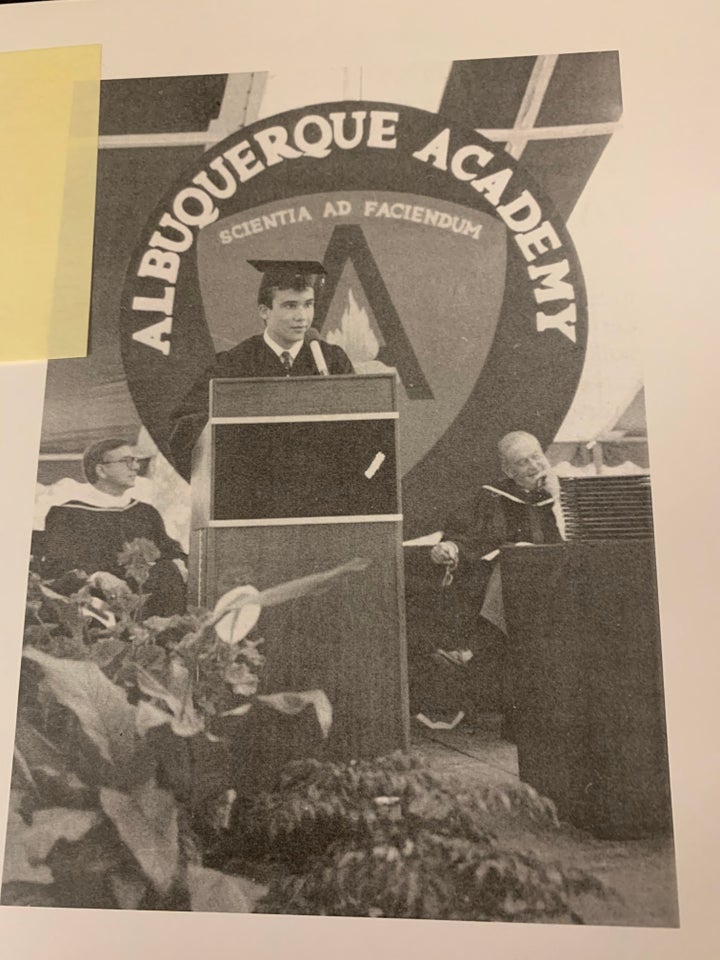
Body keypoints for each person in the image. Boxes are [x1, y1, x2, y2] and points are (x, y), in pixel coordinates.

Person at [417, 431, 565, 725]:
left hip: (556, 581)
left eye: (537, 456)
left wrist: (558, 499)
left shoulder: (562, 493)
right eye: (523, 463)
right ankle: (474, 650)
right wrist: (449, 548)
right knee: (510, 565)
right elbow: (467, 538)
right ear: (508, 471)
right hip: (509, 583)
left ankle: (472, 652)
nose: (534, 466)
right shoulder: (492, 498)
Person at [169, 260, 354, 473]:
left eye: (308, 304)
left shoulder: (332, 361)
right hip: (255, 485)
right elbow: (184, 426)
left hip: (322, 485)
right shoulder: (233, 364)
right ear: (264, 311)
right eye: (290, 305)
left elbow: (363, 428)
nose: (302, 316)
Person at [41, 438, 187, 617]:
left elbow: (169, 551)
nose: (135, 467)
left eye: (135, 461)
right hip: (97, 608)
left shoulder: (145, 512)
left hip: (152, 605)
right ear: (101, 470)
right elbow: (58, 568)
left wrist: (179, 562)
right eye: (126, 461)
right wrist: (96, 576)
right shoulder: (67, 514)